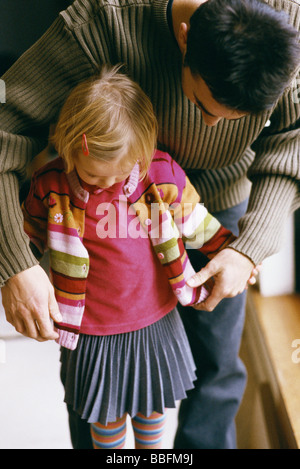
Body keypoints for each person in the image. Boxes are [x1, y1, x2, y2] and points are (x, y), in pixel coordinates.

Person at [0, 0, 299, 449]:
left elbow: (292, 139)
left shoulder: (289, 21)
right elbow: (5, 130)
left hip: (215, 206)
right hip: (98, 215)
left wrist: (248, 247)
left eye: (239, 120)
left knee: (217, 365)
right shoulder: (99, 24)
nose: (212, 126)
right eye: (202, 104)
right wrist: (15, 263)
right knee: (96, 386)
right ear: (184, 37)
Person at [22, 65, 238, 449]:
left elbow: (195, 220)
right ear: (71, 148)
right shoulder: (51, 186)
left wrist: (228, 249)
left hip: (153, 318)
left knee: (151, 411)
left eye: (119, 174)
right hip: (91, 327)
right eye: (94, 175)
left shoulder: (160, 173)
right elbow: (31, 235)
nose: (108, 184)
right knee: (105, 416)